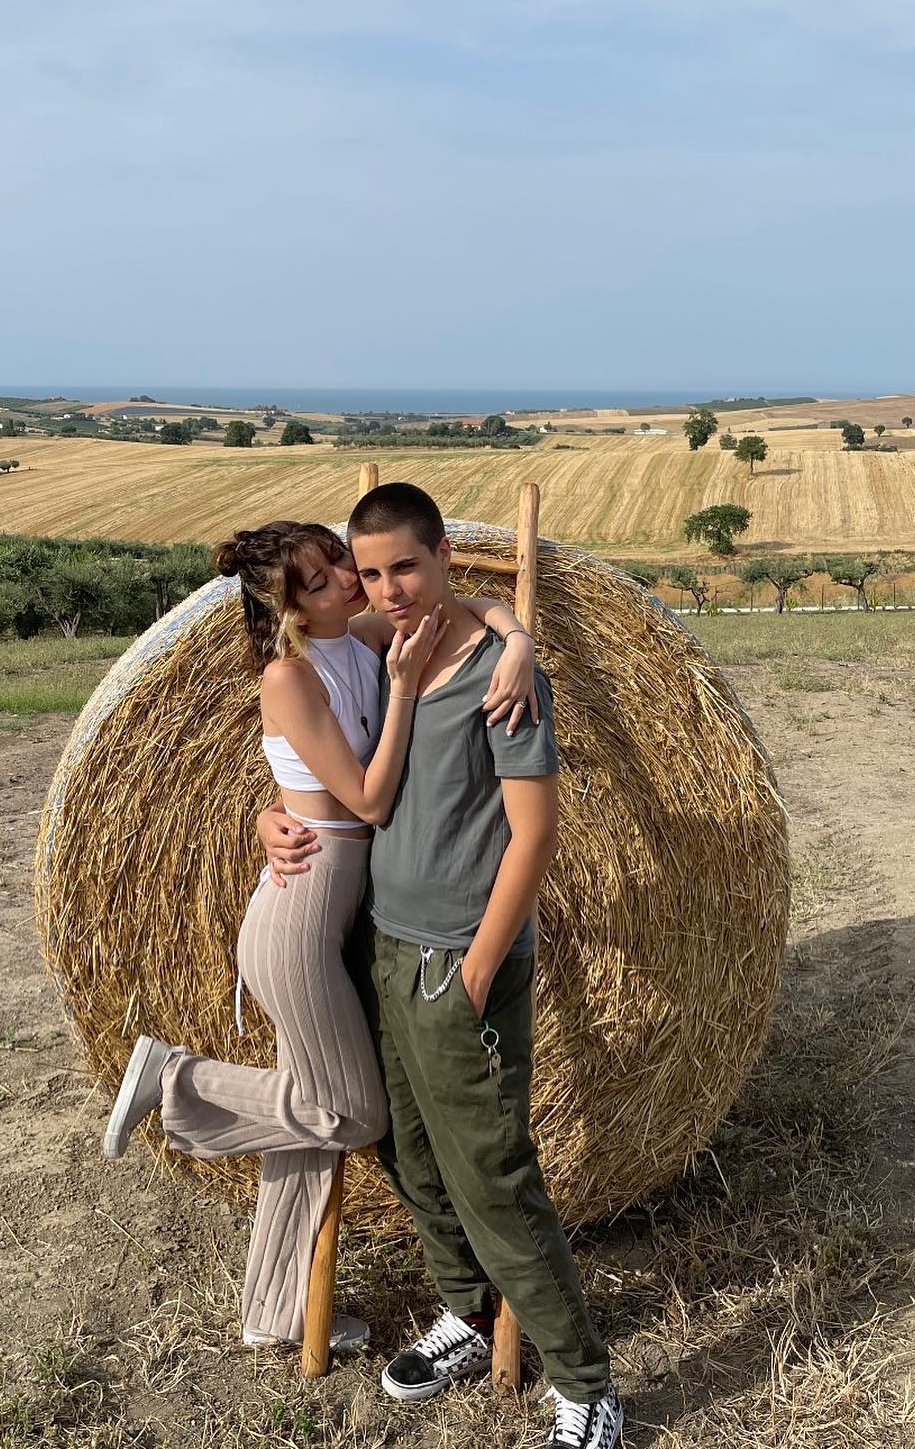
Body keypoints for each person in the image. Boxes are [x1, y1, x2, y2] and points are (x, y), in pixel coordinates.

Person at [101, 518, 539, 1353]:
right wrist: (403, 691)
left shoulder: (362, 637)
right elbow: (368, 801)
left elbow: (464, 604)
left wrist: (516, 640)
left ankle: (273, 1311)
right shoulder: (290, 677)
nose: (346, 579)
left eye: (339, 560)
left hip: (341, 902)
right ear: (290, 609)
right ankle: (176, 1078)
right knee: (352, 1111)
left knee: (307, 1123)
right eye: (318, 579)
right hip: (300, 917)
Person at [259, 483, 622, 1449]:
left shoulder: (502, 680)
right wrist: (265, 816)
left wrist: (477, 971)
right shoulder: (385, 647)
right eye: (369, 573)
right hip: (381, 944)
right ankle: (465, 1309)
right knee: (409, 1154)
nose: (387, 589)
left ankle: (587, 1385)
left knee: (494, 1175)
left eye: (406, 568)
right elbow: (305, 744)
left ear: (445, 555)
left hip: (459, 958)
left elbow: (535, 835)